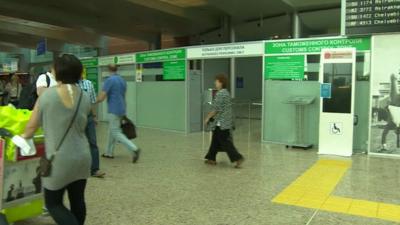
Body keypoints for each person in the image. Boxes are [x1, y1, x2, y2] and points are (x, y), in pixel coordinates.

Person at [22, 54, 92, 225]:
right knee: (78, 200)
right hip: (83, 156)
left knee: (53, 203)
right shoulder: (84, 96)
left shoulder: (47, 96)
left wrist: (22, 137)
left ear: (58, 72)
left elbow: (31, 128)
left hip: (58, 159)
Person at [96, 64, 141, 163]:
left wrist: (94, 101)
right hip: (121, 108)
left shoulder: (109, 80)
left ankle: (134, 149)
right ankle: (109, 152)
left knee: (115, 131)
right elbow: (123, 96)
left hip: (113, 109)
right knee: (112, 130)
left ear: (108, 70)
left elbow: (102, 96)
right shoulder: (122, 80)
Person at [204, 74, 245, 168]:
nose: (215, 83)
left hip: (222, 123)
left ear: (221, 83)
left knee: (225, 142)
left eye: (217, 81)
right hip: (223, 122)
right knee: (215, 140)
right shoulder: (226, 92)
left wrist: (207, 118)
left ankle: (238, 158)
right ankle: (211, 158)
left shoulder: (221, 93)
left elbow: (216, 109)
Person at [78, 77, 105, 178]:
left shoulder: (88, 83)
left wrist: (94, 116)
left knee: (93, 143)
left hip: (88, 117)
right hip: (75, 118)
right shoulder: (69, 85)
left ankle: (95, 169)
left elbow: (92, 102)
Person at [380, 73, 400, 152]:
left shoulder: (391, 124)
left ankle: (384, 146)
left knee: (385, 132)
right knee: (385, 132)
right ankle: (384, 146)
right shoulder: (392, 124)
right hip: (395, 107)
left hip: (394, 107)